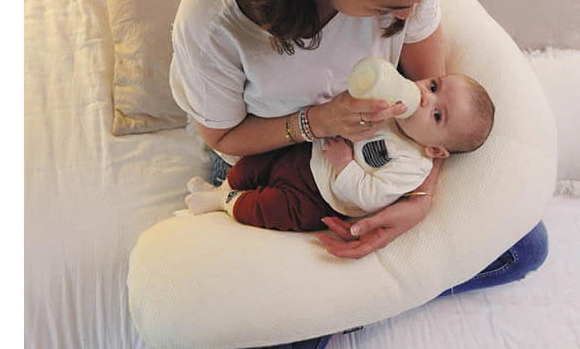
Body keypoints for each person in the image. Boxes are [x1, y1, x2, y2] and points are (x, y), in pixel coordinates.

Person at [169, 0, 548, 349]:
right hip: (269, 159)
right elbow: (224, 138)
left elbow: (429, 97)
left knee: (525, 248)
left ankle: (346, 304)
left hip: (384, 152)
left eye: (418, 1)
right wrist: (317, 122)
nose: (407, 17)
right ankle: (356, 303)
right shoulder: (213, 22)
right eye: (389, 7)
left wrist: (420, 197)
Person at [182, 72, 495, 231]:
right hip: (308, 152)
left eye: (437, 115)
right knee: (256, 164)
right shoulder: (392, 102)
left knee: (270, 210)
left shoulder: (413, 165)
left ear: (436, 149)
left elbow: (371, 196)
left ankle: (224, 202)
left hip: (320, 198)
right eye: (434, 86)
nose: (425, 97)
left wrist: (345, 164)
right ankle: (223, 186)